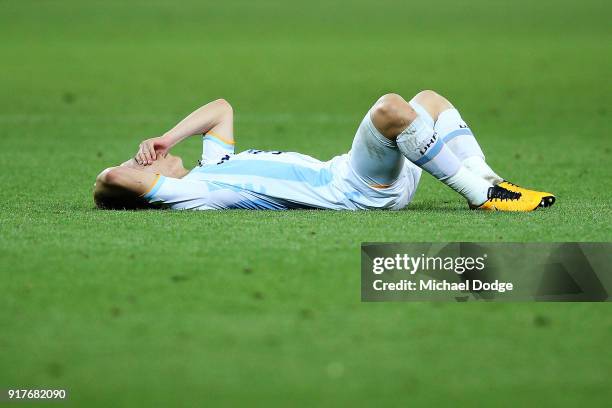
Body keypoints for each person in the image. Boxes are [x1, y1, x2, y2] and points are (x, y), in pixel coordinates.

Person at [93, 91, 555, 211]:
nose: (144, 160)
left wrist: (166, 139)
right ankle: (481, 196)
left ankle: (489, 183)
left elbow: (221, 109)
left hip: (375, 178)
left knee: (429, 102)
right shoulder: (189, 195)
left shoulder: (212, 168)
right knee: (391, 109)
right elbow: (109, 181)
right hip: (355, 189)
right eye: (142, 166)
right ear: (150, 189)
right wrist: (130, 171)